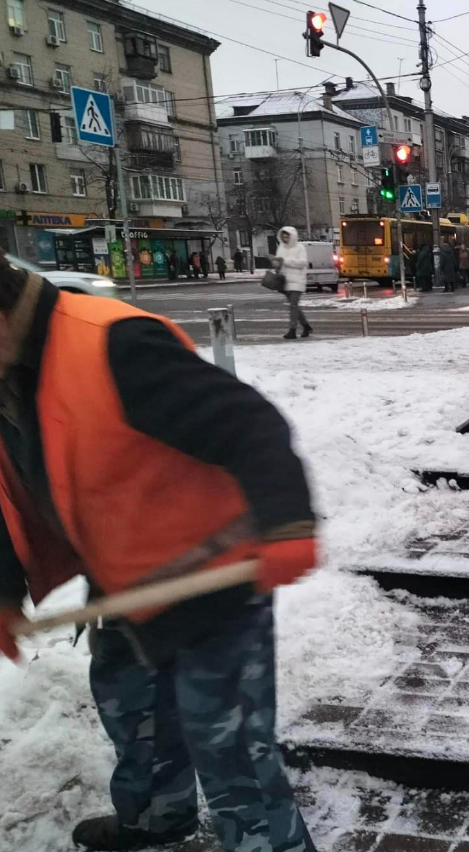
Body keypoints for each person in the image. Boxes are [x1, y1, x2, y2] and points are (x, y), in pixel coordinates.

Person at [0, 251, 319, 852]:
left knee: (229, 751)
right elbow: (9, 494)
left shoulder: (113, 344)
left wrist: (288, 522)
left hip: (213, 579)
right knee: (133, 714)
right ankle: (155, 821)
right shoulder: (9, 375)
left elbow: (249, 424)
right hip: (125, 578)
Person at [274, 226, 312, 340]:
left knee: (293, 305)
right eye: (283, 237)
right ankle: (306, 326)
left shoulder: (300, 247)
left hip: (297, 280)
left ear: (292, 236)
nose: (285, 239)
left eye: (287, 236)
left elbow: (303, 263)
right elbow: (279, 262)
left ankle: (292, 330)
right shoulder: (281, 247)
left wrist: (285, 261)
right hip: (285, 281)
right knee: (294, 307)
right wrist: (275, 263)